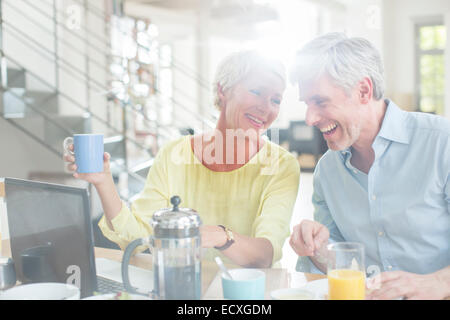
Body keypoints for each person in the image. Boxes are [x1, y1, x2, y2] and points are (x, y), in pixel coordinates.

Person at [64, 50, 300, 268]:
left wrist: (221, 235)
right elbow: (138, 239)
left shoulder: (280, 166)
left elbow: (265, 254)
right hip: (183, 285)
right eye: (257, 92)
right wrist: (104, 181)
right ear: (223, 90)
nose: (265, 108)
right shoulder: (174, 154)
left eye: (276, 100)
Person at [289, 32, 450, 299]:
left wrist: (440, 283)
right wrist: (316, 247)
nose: (309, 118)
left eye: (320, 101)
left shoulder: (442, 143)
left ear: (364, 91)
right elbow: (339, 261)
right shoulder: (327, 171)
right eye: (307, 104)